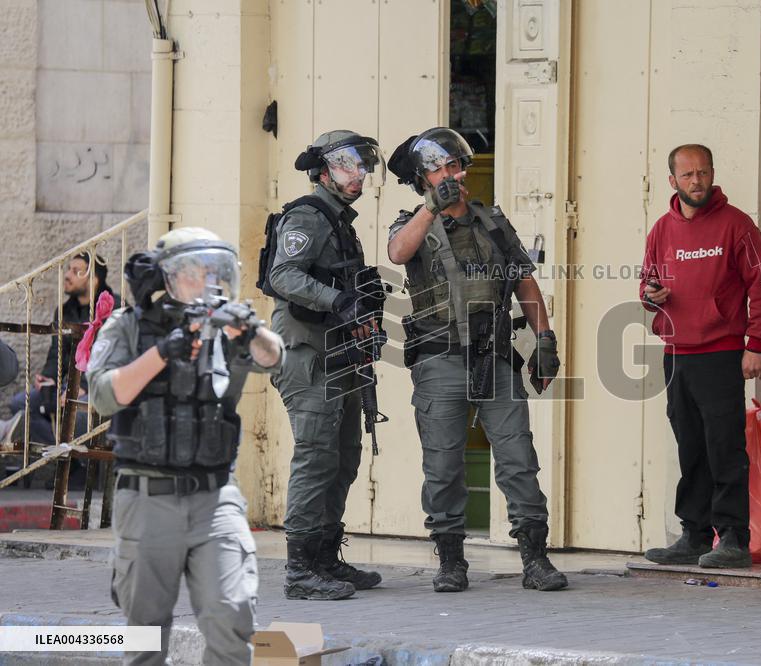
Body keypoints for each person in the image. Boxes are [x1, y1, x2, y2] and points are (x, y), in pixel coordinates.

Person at [86, 227, 285, 665]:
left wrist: (251, 331)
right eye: (197, 272)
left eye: (217, 271)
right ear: (169, 278)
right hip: (147, 498)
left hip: (215, 498)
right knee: (145, 639)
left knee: (232, 619)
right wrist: (164, 351)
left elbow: (275, 358)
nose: (209, 280)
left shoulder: (229, 327)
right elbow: (102, 396)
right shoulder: (128, 327)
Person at [386, 127, 566, 593]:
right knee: (443, 463)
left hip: (494, 354)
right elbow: (397, 252)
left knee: (518, 457)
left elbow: (524, 282)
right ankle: (450, 560)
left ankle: (535, 557)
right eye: (440, 169)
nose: (451, 175)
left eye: (455, 166)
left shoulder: (492, 222)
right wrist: (430, 208)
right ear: (422, 179)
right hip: (439, 356)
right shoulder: (413, 222)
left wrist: (545, 339)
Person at [640, 144, 761, 569]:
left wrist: (755, 344)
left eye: (702, 173)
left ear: (712, 174)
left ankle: (734, 538)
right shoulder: (662, 229)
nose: (696, 181)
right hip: (677, 354)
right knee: (691, 448)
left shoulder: (737, 226)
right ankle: (695, 535)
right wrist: (650, 296)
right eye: (687, 175)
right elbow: (646, 285)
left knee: (725, 448)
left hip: (722, 352)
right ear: (672, 181)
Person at [265, 130, 385, 600]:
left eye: (363, 166)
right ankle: (299, 572)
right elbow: (283, 275)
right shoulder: (308, 216)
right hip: (308, 357)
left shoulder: (340, 222)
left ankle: (324, 558)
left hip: (341, 356)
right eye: (350, 165)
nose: (361, 175)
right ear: (323, 171)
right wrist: (341, 301)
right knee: (317, 459)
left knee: (343, 459)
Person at [1, 253, 120, 449]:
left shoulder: (114, 306)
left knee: (80, 412)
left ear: (94, 279)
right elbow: (56, 351)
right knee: (20, 403)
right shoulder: (64, 310)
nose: (67, 275)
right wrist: (49, 377)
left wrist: (83, 385)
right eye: (68, 269)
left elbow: (115, 355)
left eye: (75, 271)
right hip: (67, 385)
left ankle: (75, 460)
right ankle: (64, 456)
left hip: (97, 386)